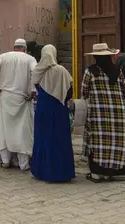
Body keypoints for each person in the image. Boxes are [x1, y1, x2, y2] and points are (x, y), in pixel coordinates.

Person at [81, 43, 125, 183]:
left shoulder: (90, 71)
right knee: (115, 142)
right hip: (118, 114)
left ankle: (98, 174)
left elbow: (84, 92)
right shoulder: (118, 71)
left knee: (98, 142)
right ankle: (111, 172)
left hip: (98, 115)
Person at [0, 38, 37, 171]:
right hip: (23, 98)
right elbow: (35, 73)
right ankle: (23, 164)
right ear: (25, 48)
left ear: (14, 47)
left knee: (5, 129)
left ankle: (6, 161)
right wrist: (33, 90)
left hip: (5, 97)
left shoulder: (3, 56)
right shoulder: (30, 59)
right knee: (23, 131)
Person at [30, 45, 75, 182]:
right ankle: (61, 173)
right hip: (59, 110)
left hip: (43, 110)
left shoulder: (38, 71)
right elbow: (69, 92)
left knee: (43, 139)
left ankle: (42, 171)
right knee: (59, 140)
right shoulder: (61, 71)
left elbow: (36, 88)